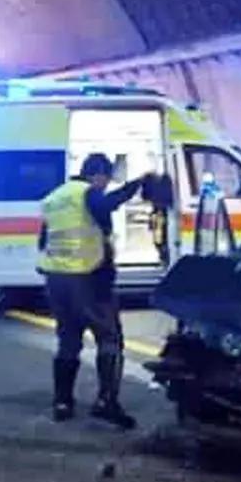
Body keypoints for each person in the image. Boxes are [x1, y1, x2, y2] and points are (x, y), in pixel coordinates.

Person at [38, 153, 152, 429]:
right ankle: (106, 402)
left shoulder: (55, 198)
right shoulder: (87, 193)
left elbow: (43, 241)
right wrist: (135, 185)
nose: (106, 185)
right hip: (86, 277)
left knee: (68, 340)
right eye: (106, 179)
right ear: (98, 175)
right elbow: (106, 205)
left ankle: (62, 403)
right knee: (109, 336)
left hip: (56, 278)